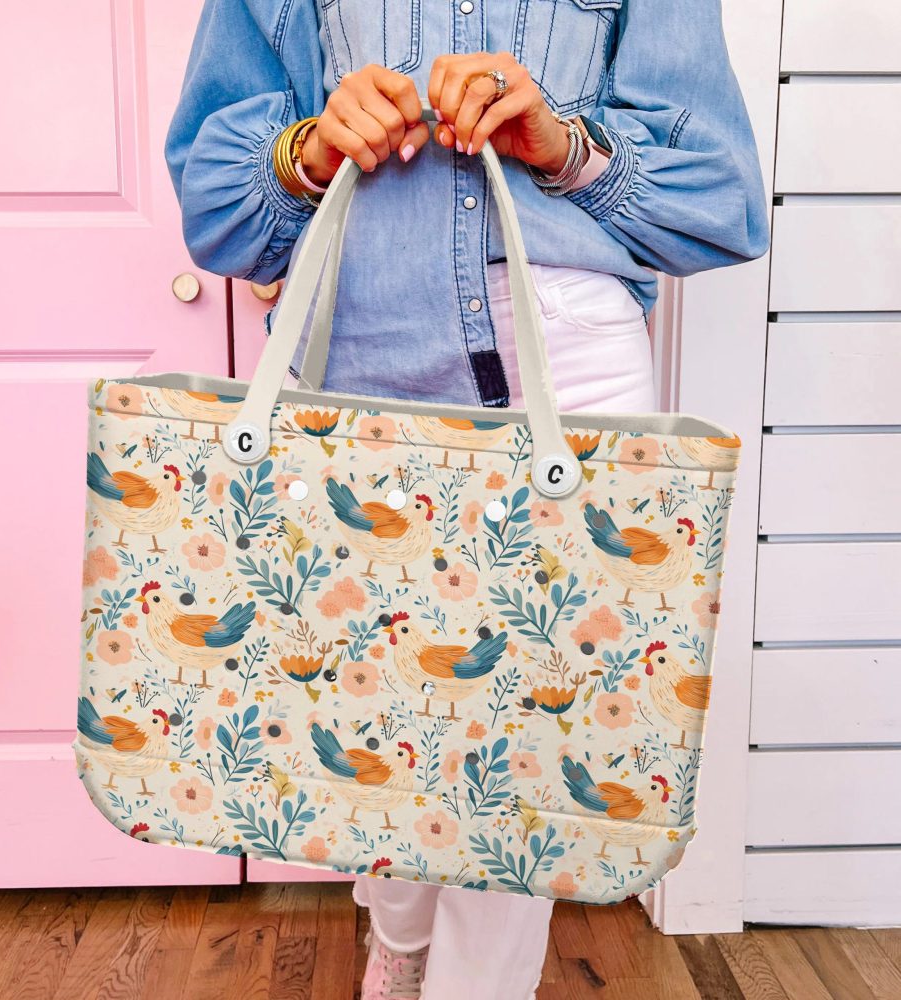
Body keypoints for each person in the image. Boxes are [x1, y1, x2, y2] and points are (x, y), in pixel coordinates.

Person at [165, 2, 769, 997]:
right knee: (369, 714)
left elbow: (721, 197)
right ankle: (399, 934)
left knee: (521, 744)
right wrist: (308, 151)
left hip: (563, 361)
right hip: (356, 345)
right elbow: (215, 208)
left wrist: (566, 146)